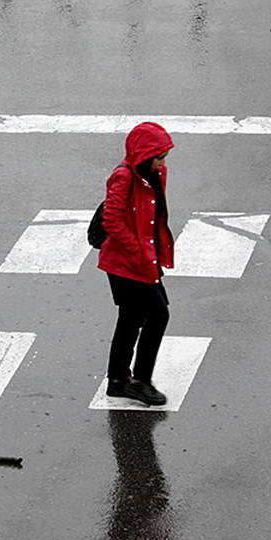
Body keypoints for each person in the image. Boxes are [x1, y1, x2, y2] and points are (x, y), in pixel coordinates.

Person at [98, 122, 176, 406]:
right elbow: (112, 220)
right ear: (144, 156)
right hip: (125, 265)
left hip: (143, 261)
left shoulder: (152, 176)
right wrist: (138, 251)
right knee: (156, 316)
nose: (162, 163)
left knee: (132, 319)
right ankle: (137, 381)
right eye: (159, 157)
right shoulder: (124, 177)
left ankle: (120, 380)